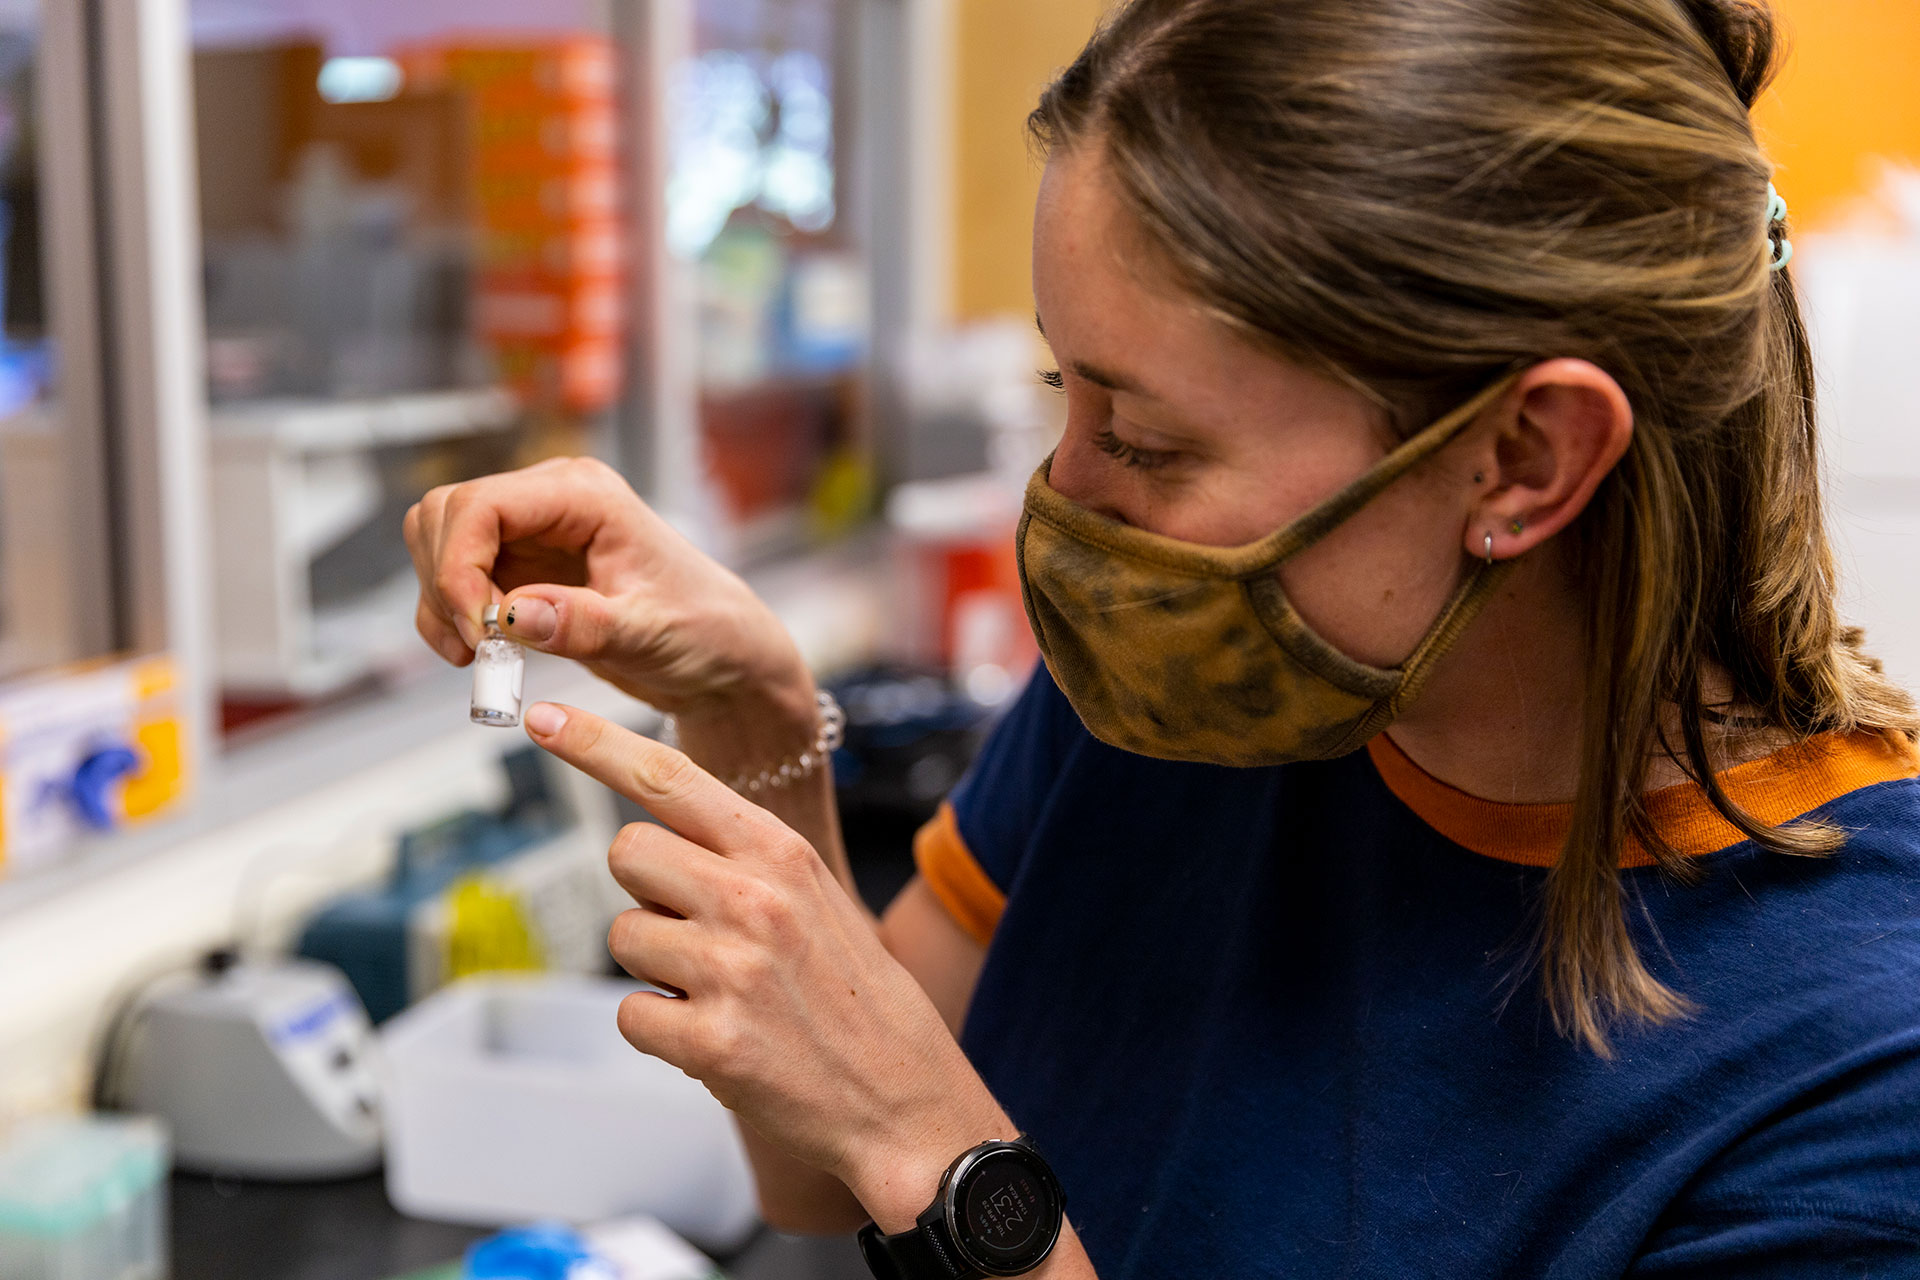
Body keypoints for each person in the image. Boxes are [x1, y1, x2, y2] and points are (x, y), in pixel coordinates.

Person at [404, 0, 1920, 1274]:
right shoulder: (1197, 683)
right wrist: (753, 705)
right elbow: (821, 1173)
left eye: (1146, 438)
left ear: (1523, 459)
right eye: (1071, 394)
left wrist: (952, 1172)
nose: (1067, 505)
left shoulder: (1854, 1069)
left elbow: (904, 1141)